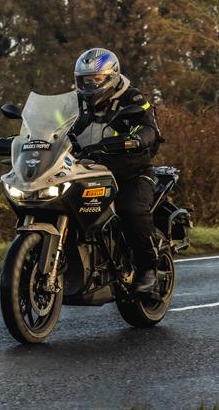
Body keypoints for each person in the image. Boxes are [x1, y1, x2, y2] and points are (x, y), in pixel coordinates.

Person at [69, 48, 162, 294]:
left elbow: (149, 129)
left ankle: (147, 268)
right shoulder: (75, 101)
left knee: (131, 209)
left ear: (112, 76)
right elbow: (55, 125)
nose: (90, 84)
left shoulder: (132, 99)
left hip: (131, 172)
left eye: (96, 79)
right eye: (85, 80)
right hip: (87, 171)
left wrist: (135, 140)